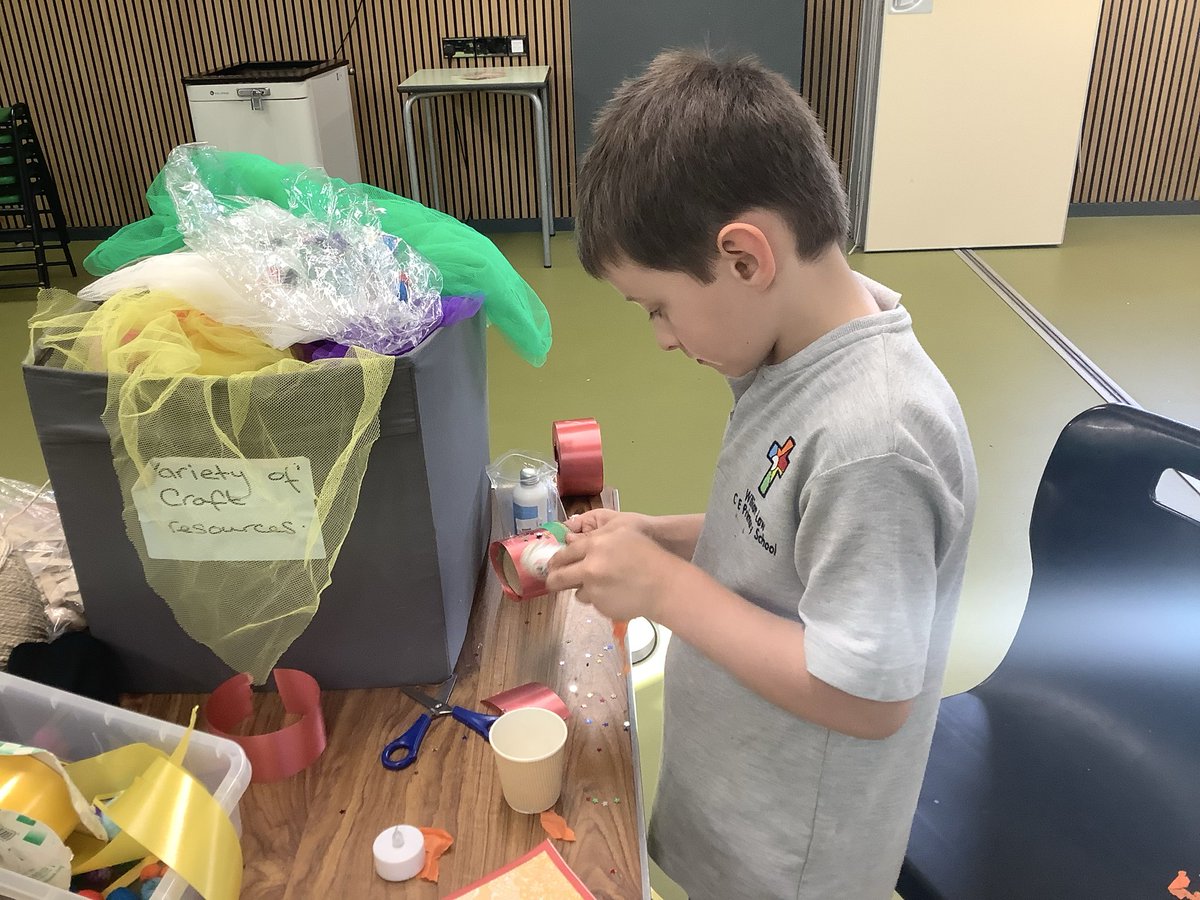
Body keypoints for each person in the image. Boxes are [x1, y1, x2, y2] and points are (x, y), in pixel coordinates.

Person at [544, 49, 978, 899]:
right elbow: (783, 539)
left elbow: (867, 696)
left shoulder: (875, 436)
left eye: (658, 307)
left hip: (796, 858)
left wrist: (667, 593)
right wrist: (657, 537)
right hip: (747, 799)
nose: (663, 338)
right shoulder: (798, 358)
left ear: (745, 258)